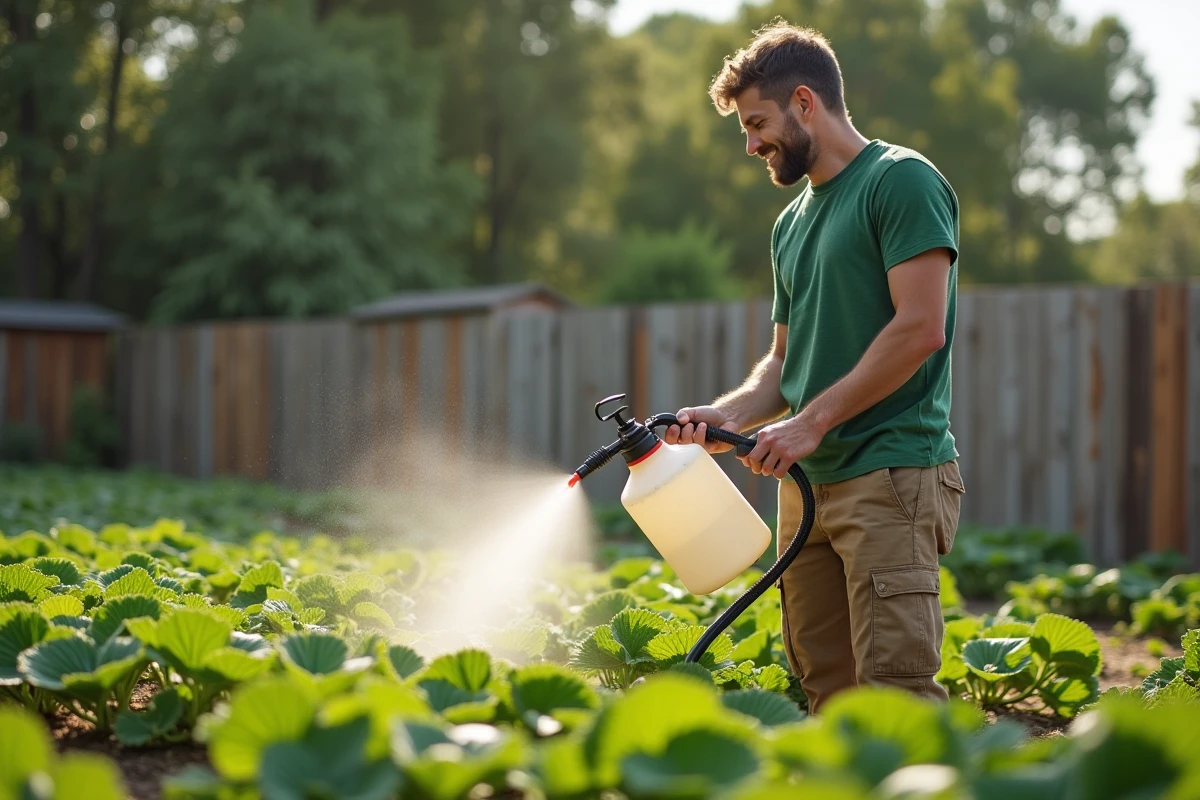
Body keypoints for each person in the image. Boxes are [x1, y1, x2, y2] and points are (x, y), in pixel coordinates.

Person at [664, 19, 966, 713]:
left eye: (758, 123)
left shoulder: (901, 182)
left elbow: (920, 328)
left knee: (896, 696)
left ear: (805, 103)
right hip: (806, 485)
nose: (751, 144)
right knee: (824, 691)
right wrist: (727, 415)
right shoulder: (791, 222)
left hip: (888, 473)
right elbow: (782, 360)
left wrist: (810, 423)